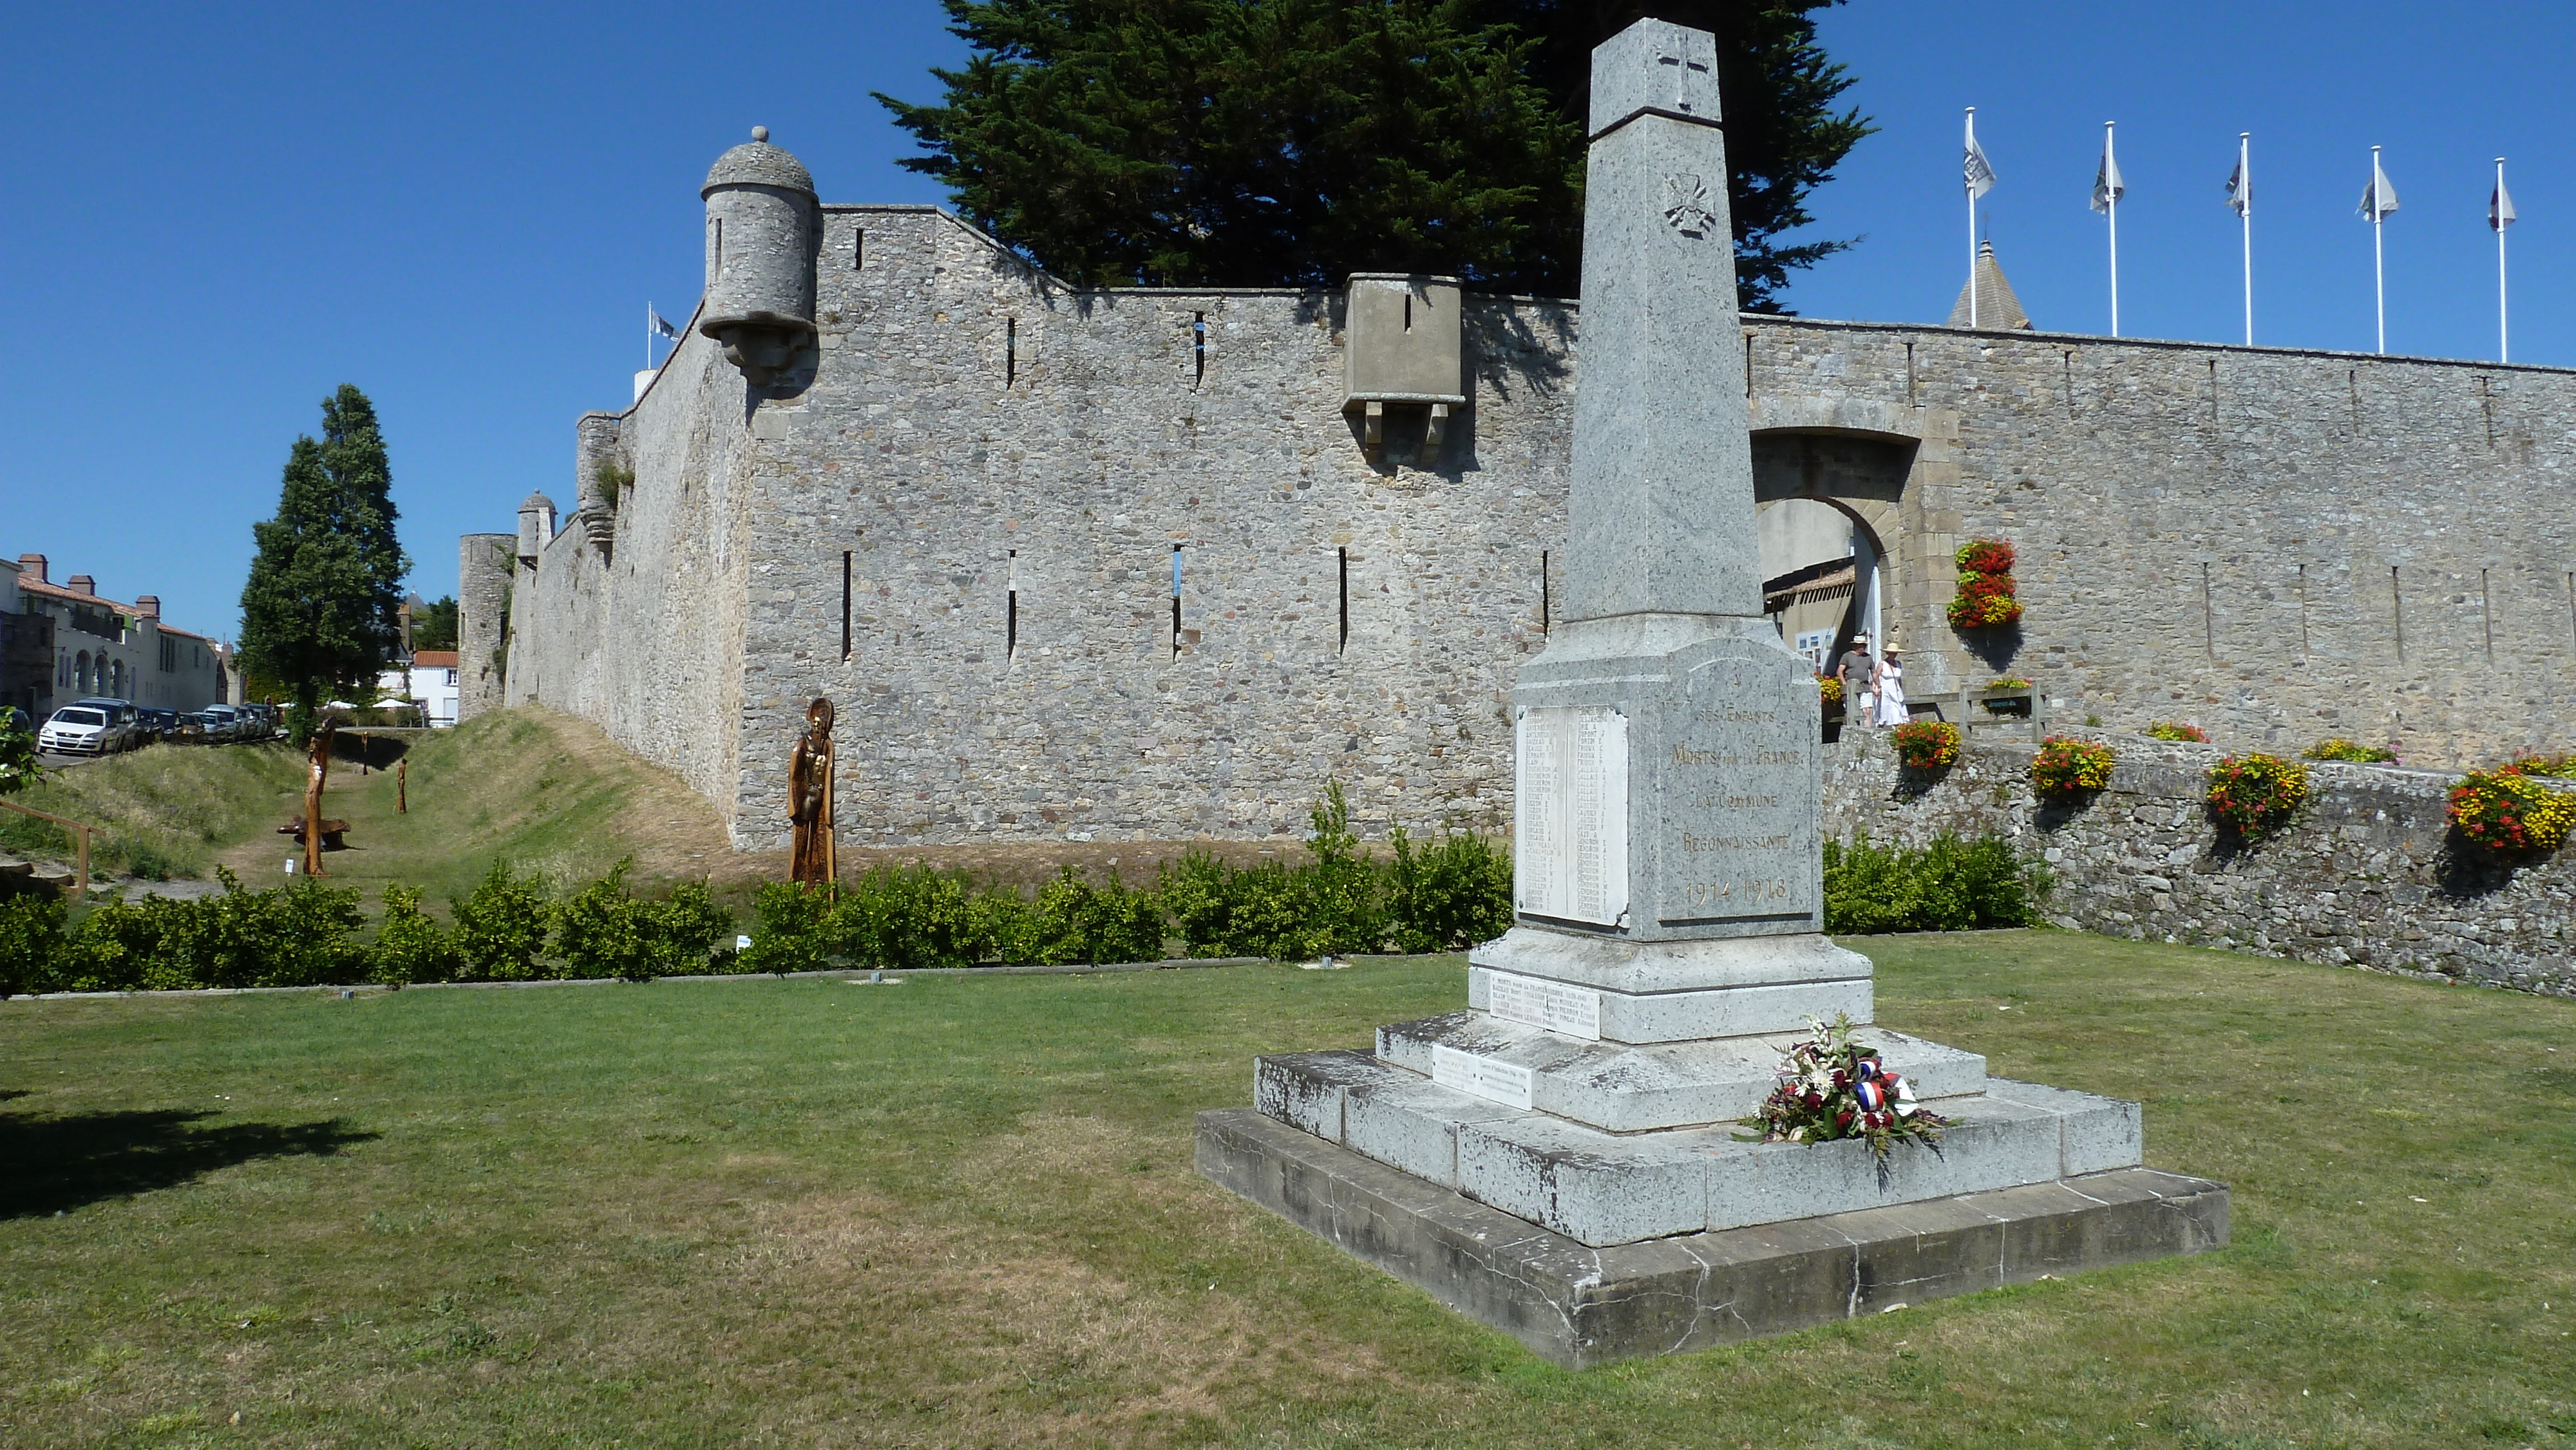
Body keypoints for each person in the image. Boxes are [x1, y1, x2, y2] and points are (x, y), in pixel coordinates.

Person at [1835, 636, 1876, 728]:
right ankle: (1853, 730)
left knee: (1867, 711)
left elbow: (1874, 672)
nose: (1862, 648)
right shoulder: (1847, 656)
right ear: (1855, 646)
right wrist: (1844, 683)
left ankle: (1867, 731)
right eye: (1860, 645)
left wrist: (1876, 685)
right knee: (1851, 711)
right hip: (1851, 688)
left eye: (1863, 645)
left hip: (1865, 687)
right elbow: (1840, 670)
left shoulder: (1868, 657)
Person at [1873, 649, 1909, 728]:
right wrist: (1878, 687)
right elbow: (1876, 675)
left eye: (1895, 653)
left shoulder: (1898, 664)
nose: (1894, 655)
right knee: (1884, 709)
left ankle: (1896, 728)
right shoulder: (1882, 664)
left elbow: (1899, 679)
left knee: (1897, 709)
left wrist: (1901, 688)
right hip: (1885, 690)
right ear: (1888, 653)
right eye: (1892, 653)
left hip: (1896, 690)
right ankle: (1880, 727)